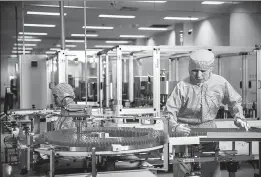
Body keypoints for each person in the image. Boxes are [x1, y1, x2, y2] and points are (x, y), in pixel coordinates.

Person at [165, 49, 249, 177]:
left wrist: (239, 117)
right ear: (189, 69)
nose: (198, 75)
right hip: (185, 131)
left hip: (209, 132)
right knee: (182, 166)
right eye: (194, 71)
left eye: (203, 71)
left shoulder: (220, 83)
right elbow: (169, 111)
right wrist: (175, 126)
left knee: (211, 165)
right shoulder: (182, 86)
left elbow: (235, 101)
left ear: (210, 69)